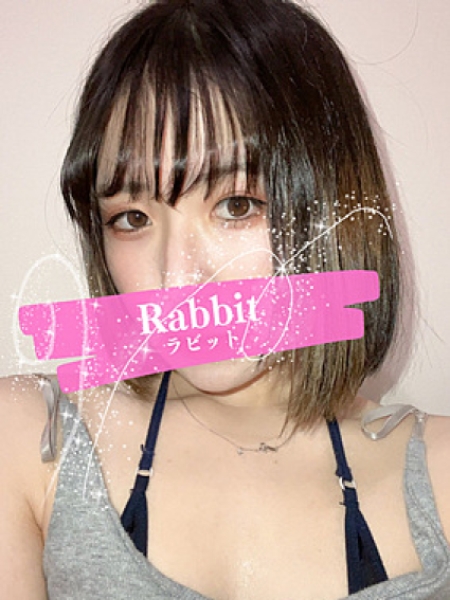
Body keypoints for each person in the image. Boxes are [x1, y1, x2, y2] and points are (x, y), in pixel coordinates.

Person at [1, 0, 449, 598]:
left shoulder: (439, 473)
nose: (177, 277)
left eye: (236, 206)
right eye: (132, 218)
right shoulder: (30, 438)